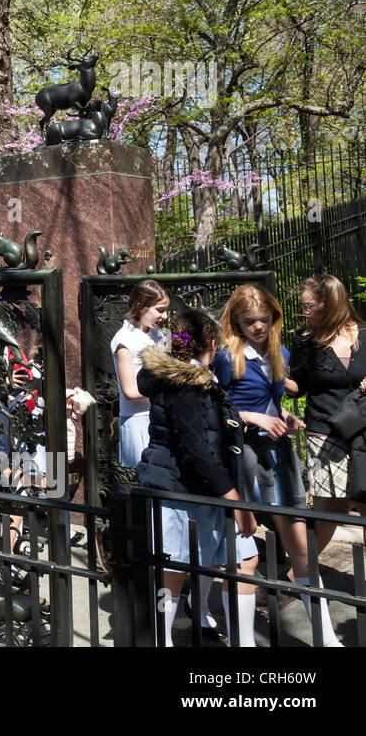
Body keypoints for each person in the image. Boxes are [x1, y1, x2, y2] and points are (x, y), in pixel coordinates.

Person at [213, 284, 342, 645]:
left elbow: (271, 402)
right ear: (236, 322)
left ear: (274, 319)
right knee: (238, 546)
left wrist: (284, 416)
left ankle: (327, 638)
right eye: (249, 321)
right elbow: (213, 411)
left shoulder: (279, 352)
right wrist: (254, 417)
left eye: (264, 320)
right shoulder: (226, 358)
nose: (257, 327)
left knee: (299, 539)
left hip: (278, 453)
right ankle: (208, 609)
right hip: (241, 455)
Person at [136, 307, 260, 646]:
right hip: (181, 488)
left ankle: (243, 642)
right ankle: (160, 638)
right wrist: (235, 499)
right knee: (172, 571)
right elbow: (195, 447)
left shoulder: (200, 378)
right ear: (212, 342)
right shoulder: (184, 383)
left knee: (245, 559)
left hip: (206, 488)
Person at [287, 273, 366, 556]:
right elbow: (298, 387)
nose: (304, 311)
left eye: (309, 305)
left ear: (330, 303)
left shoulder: (364, 335)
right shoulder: (305, 341)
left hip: (363, 431)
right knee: (333, 507)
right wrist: (274, 377)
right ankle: (302, 573)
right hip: (325, 433)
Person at [112, 279, 171, 467]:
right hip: (138, 420)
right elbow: (129, 391)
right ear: (141, 306)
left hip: (161, 416)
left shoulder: (160, 335)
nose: (165, 316)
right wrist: (167, 389)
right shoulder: (124, 339)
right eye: (160, 310)